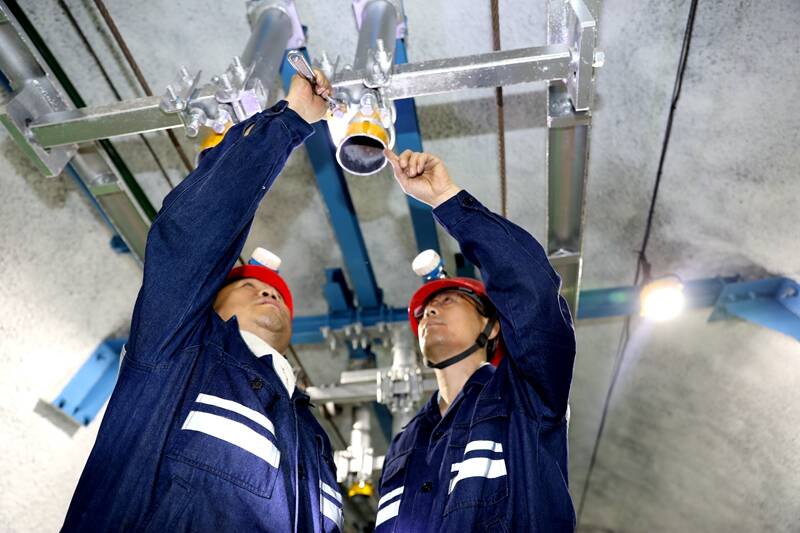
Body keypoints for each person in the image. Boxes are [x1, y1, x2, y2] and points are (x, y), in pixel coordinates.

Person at [62, 71, 345, 533]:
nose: (268, 290)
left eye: (276, 292)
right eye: (247, 286)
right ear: (209, 305)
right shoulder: (179, 351)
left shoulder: (313, 437)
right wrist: (289, 121)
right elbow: (190, 237)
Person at [374, 149, 577, 531]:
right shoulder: (405, 443)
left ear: (492, 326)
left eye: (448, 301)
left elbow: (531, 289)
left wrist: (445, 198)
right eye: (423, 311)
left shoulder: (525, 394)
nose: (429, 312)